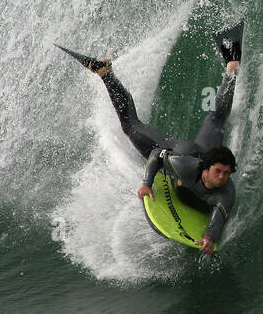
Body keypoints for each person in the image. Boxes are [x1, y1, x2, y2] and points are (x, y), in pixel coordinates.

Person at [57, 21, 243, 254]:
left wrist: (208, 238)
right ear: (206, 168)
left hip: (203, 151)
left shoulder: (226, 192)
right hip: (180, 151)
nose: (223, 177)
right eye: (219, 172)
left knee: (216, 118)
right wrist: (146, 184)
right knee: (131, 125)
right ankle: (105, 73)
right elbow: (156, 155)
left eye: (227, 173)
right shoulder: (183, 166)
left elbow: (219, 218)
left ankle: (232, 67)